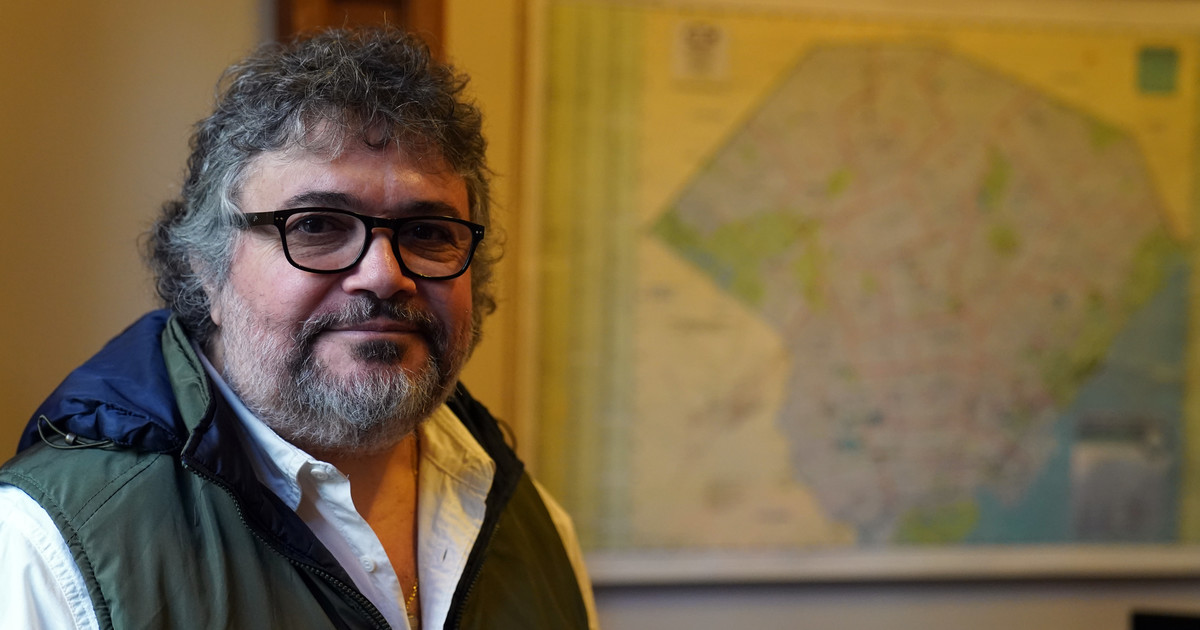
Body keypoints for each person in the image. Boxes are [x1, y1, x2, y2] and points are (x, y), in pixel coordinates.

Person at [0, 27, 597, 630]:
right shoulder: (44, 552)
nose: (384, 275)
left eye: (427, 233)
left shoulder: (534, 524)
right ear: (206, 268)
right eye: (316, 225)